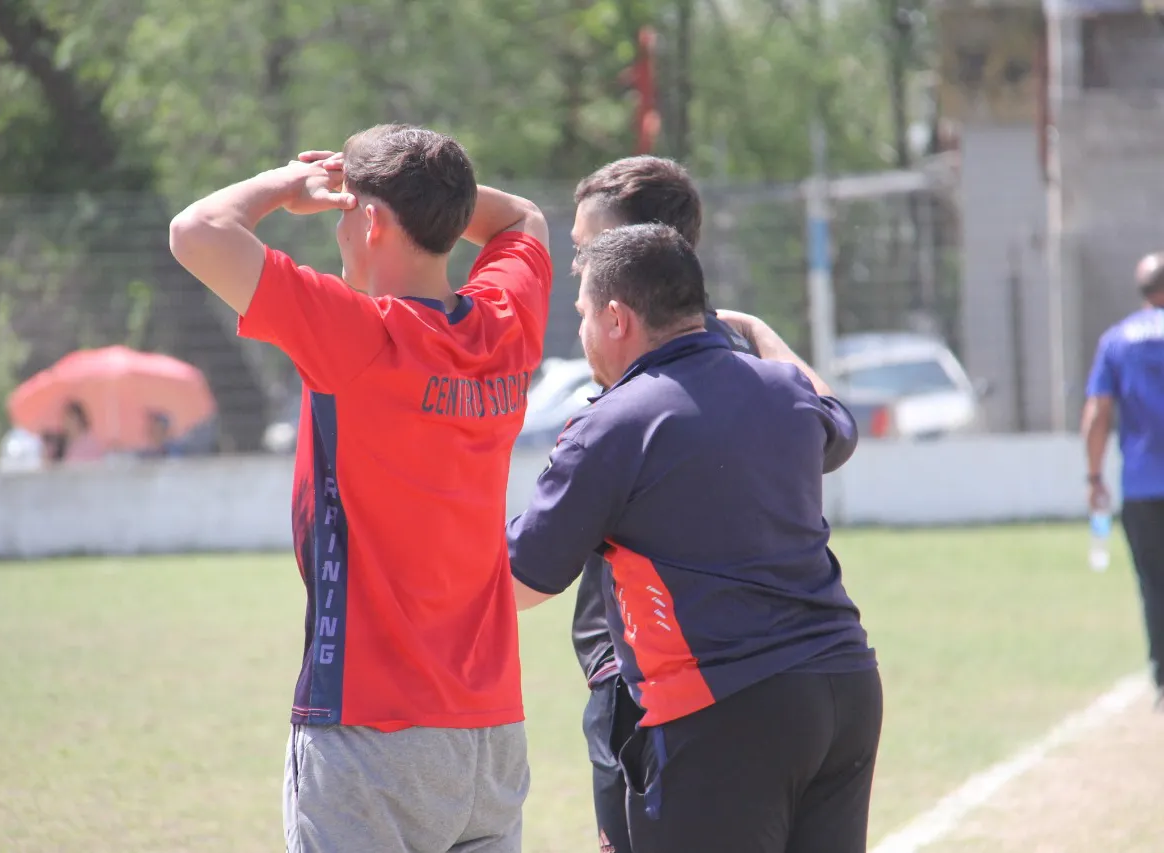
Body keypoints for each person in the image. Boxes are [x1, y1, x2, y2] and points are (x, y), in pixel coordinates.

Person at [168, 124, 551, 853]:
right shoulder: (506, 324)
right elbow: (521, 219)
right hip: (490, 736)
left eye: (349, 207)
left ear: (370, 221)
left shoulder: (359, 337)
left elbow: (198, 230)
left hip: (370, 732)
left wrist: (287, 183)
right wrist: (431, 195)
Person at [507, 223, 882, 853]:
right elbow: (837, 420)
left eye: (583, 314)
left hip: (726, 710)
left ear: (617, 317)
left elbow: (522, 580)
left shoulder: (615, 422)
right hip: (845, 687)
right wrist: (762, 334)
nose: (582, 332)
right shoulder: (783, 388)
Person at [565, 154, 784, 853]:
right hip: (652, 671)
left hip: (680, 680)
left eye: (589, 249)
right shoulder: (700, 352)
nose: (577, 268)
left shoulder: (706, 359)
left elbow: (827, 437)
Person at [1083, 251, 1164, 709]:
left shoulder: (1117, 341)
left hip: (1143, 485)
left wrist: (1094, 476)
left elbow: (1098, 413)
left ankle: (1163, 679)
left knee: (1155, 584)